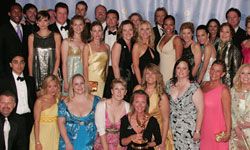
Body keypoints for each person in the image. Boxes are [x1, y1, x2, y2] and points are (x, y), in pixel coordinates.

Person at [165, 58, 204, 149]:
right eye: (178, 68)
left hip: (188, 130)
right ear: (175, 70)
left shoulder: (194, 87)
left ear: (189, 71)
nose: (181, 70)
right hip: (171, 127)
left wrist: (197, 131)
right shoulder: (169, 84)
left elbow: (200, 111)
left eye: (184, 68)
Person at [134, 63, 173, 150]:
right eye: (147, 73)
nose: (150, 76)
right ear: (144, 75)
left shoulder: (162, 96)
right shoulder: (138, 89)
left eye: (153, 73)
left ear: (157, 76)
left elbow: (166, 120)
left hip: (157, 133)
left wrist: (162, 142)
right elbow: (132, 111)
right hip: (139, 131)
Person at [0, 53, 36, 146]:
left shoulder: (31, 80)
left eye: (22, 62)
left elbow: (34, 100)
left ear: (25, 64)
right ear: (11, 64)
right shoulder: (4, 81)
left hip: (29, 118)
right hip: (13, 118)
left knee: (28, 145)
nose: (19, 65)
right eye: (15, 62)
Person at [58, 74, 100, 150]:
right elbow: (61, 124)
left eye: (82, 83)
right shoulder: (64, 103)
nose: (79, 86)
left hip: (89, 141)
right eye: (76, 84)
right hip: (69, 142)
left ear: (85, 84)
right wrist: (67, 143)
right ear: (72, 86)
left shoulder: (96, 100)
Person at [200, 60, 231, 150]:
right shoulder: (203, 85)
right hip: (204, 128)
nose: (214, 73)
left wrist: (228, 132)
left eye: (218, 71)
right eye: (213, 69)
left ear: (222, 74)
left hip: (217, 130)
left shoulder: (223, 90)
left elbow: (227, 113)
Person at [28, 10, 61, 91]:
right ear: (37, 22)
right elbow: (30, 57)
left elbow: (58, 56)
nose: (42, 23)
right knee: (39, 97)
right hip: (37, 72)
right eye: (40, 20)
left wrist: (54, 74)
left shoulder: (56, 36)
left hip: (53, 70)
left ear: (49, 22)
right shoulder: (31, 37)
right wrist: (31, 76)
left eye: (45, 20)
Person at [94, 78, 130, 149]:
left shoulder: (128, 107)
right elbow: (101, 130)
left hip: (120, 144)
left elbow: (126, 131)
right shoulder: (101, 105)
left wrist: (119, 146)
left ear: (125, 92)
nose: (119, 92)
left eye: (122, 89)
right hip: (103, 142)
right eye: (116, 89)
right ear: (112, 91)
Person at [29, 75, 61, 150]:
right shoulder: (40, 101)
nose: (53, 89)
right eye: (49, 86)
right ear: (45, 87)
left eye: (55, 86)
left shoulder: (58, 99)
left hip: (55, 133)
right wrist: (37, 142)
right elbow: (36, 122)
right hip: (41, 134)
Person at [0, 3, 29, 76]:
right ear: (9, 13)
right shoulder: (3, 29)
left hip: (24, 71)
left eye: (19, 12)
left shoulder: (26, 29)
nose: (17, 14)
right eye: (14, 12)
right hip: (7, 72)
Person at [83, 21, 109, 97]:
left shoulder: (107, 47)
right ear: (91, 32)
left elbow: (106, 66)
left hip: (103, 80)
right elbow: (85, 67)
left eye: (99, 30)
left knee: (101, 101)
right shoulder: (87, 47)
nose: (97, 33)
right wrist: (87, 82)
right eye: (94, 31)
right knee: (93, 101)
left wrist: (105, 80)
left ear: (102, 32)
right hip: (92, 80)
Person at [111, 20, 135, 101]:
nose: (128, 32)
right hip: (119, 77)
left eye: (130, 30)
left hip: (129, 78)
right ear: (121, 32)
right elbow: (115, 65)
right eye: (125, 30)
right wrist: (119, 85)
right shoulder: (118, 44)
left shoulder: (133, 43)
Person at [61, 15, 86, 95]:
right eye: (75, 24)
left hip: (82, 77)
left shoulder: (86, 43)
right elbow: (64, 63)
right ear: (71, 26)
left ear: (84, 26)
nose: (78, 27)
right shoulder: (66, 42)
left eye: (80, 24)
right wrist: (65, 81)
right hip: (69, 76)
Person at [157, 15, 183, 83]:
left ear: (174, 26)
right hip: (161, 73)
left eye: (171, 25)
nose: (168, 27)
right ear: (163, 25)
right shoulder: (162, 37)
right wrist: (157, 72)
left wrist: (176, 77)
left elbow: (178, 61)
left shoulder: (176, 39)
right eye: (166, 24)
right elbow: (162, 57)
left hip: (171, 74)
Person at [215, 22, 242, 87]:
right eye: (222, 31)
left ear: (231, 34)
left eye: (227, 32)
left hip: (228, 84)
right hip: (216, 81)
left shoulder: (234, 49)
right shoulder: (215, 46)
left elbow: (237, 72)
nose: (224, 34)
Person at [132, 20, 160, 85]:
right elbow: (135, 67)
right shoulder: (137, 46)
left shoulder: (153, 45)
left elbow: (157, 66)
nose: (145, 32)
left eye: (147, 29)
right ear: (139, 32)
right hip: (142, 81)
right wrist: (141, 84)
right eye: (142, 29)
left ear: (150, 31)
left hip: (154, 81)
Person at [230, 64, 250, 149]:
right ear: (239, 75)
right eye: (243, 73)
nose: (246, 76)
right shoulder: (232, 91)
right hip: (235, 133)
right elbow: (229, 111)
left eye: (249, 73)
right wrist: (236, 128)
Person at [103, 9, 119, 98]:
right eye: (108, 18)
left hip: (117, 69)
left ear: (117, 21)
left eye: (113, 18)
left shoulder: (123, 35)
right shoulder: (99, 34)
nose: (111, 20)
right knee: (102, 94)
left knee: (117, 94)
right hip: (102, 69)